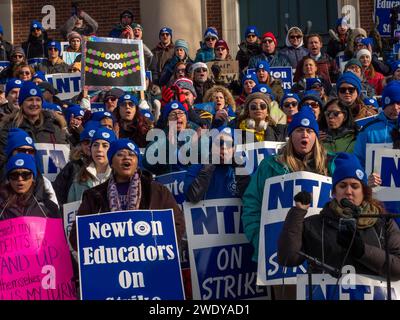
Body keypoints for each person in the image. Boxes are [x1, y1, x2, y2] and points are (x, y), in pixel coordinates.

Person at [278, 152, 400, 281]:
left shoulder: (384, 223)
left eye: (355, 186)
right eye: (342, 186)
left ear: (364, 191)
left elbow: (397, 269)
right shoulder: (314, 224)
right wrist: (297, 213)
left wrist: (362, 251)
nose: (348, 192)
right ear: (334, 192)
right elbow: (288, 258)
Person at [242, 105, 333, 262]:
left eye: (310, 131)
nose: (304, 134)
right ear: (290, 136)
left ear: (316, 137)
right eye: (299, 130)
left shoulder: (332, 164)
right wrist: (260, 239)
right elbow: (252, 205)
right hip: (279, 252)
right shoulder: (270, 165)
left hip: (321, 255)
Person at [69, 138, 185, 251]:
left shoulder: (158, 191)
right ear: (111, 162)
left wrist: (159, 249)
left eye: (131, 154)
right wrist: (103, 251)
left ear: (137, 162)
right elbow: (76, 236)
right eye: (120, 154)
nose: (127, 157)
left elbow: (177, 224)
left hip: (151, 264)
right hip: (110, 265)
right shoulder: (94, 196)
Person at [0, 81, 67, 167]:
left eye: (38, 100)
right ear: (21, 103)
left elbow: (67, 158)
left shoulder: (55, 127)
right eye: (30, 100)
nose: (34, 104)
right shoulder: (9, 129)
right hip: (22, 177)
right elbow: (2, 161)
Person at [184, 126, 240, 202]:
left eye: (230, 144)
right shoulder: (196, 168)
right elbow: (192, 197)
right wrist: (209, 165)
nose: (224, 147)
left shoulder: (242, 169)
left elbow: (252, 199)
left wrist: (239, 167)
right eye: (219, 143)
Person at [144, 100, 198, 175]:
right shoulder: (159, 140)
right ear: (167, 121)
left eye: (181, 113)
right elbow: (148, 163)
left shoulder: (196, 136)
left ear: (186, 119)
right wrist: (167, 146)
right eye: (173, 114)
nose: (177, 116)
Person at [354, 81, 400, 169]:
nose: (395, 108)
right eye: (390, 103)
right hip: (375, 182)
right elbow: (358, 160)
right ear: (384, 105)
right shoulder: (369, 130)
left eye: (399, 103)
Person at [0, 153, 59, 220]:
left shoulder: (49, 207)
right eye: (14, 175)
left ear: (33, 178)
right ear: (8, 179)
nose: (20, 179)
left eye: (25, 175)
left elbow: (57, 229)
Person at [53, 121, 98, 207]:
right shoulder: (72, 166)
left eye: (93, 142)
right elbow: (58, 192)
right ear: (80, 144)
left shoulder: (108, 167)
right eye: (86, 142)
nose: (89, 145)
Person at [67, 127, 115, 203]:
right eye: (95, 145)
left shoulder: (120, 177)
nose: (99, 149)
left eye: (105, 146)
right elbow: (70, 208)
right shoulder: (80, 177)